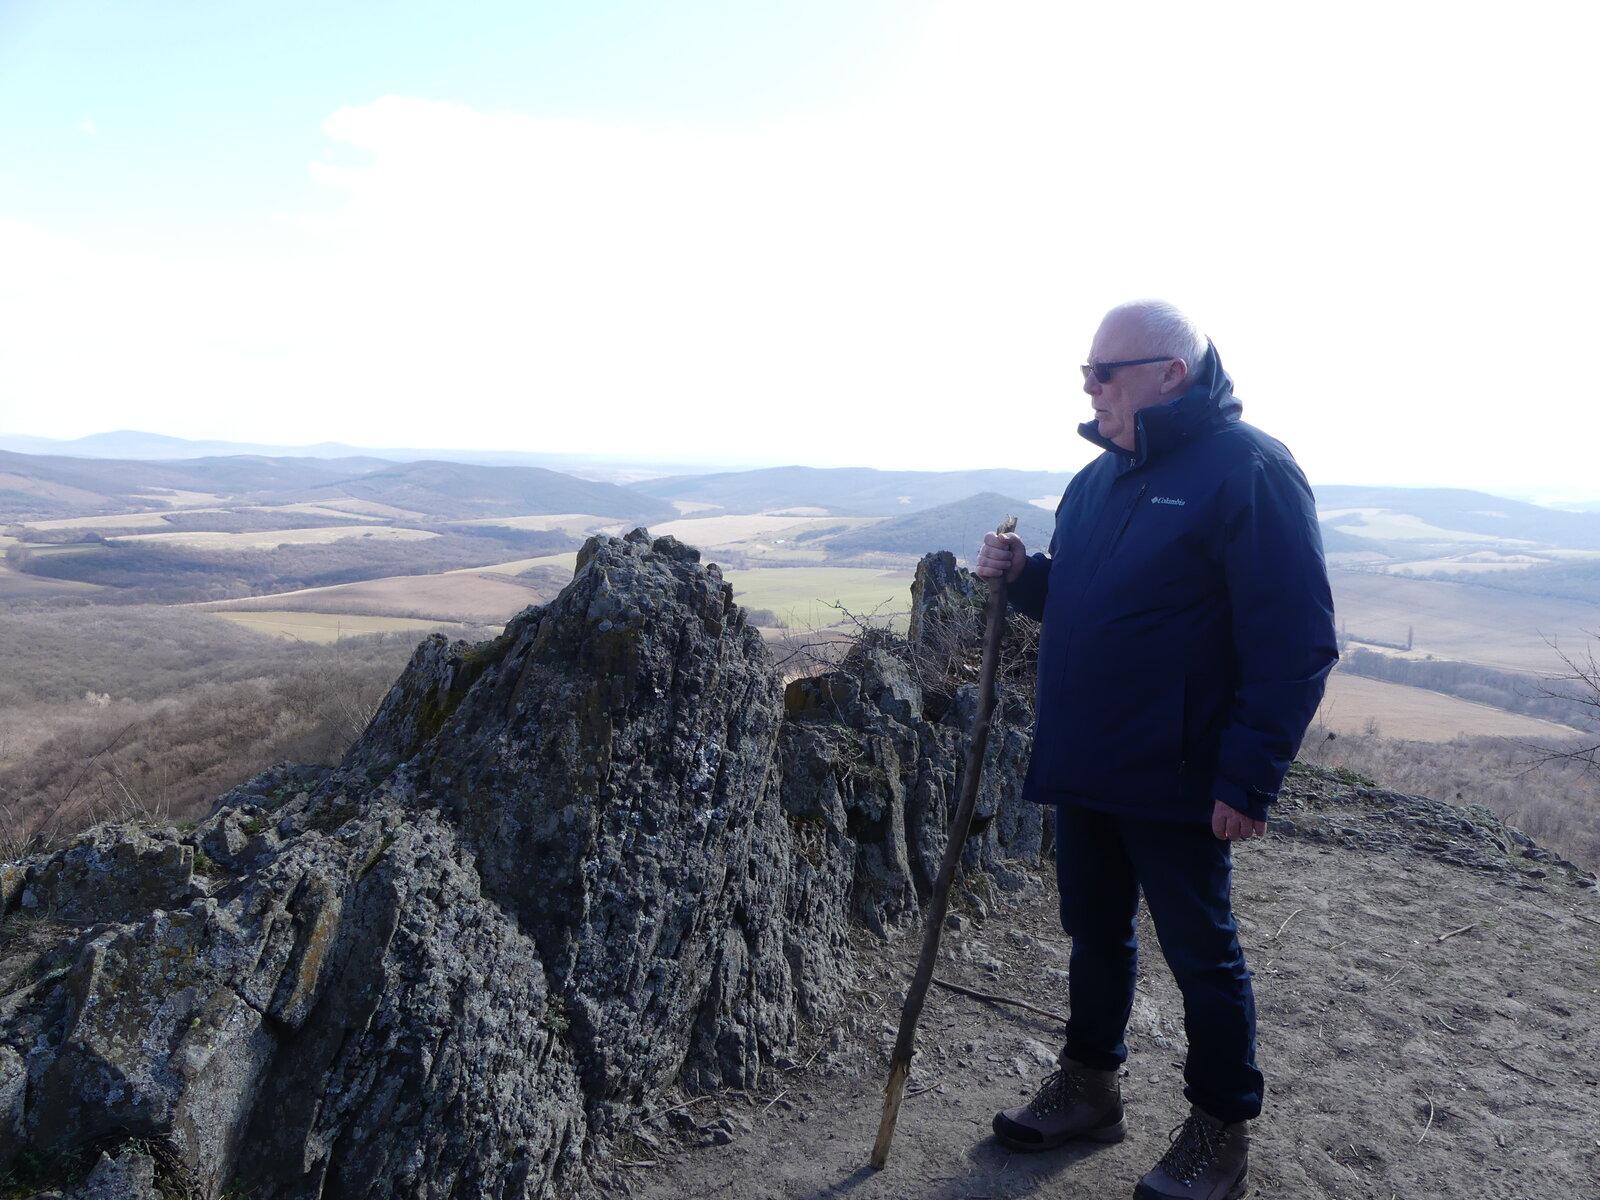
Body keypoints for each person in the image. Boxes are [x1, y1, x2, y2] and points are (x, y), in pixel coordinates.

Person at [975, 300, 1337, 1200]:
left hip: (1180, 771)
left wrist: (1249, 778)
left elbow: (1294, 641)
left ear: (1171, 374)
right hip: (1087, 758)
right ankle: (1090, 1086)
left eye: (1107, 371)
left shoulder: (1251, 472)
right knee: (1094, 935)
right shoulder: (1095, 482)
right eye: (1085, 373)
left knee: (1200, 954)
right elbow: (1086, 606)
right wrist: (1029, 580)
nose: (1090, 387)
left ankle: (1221, 1131)